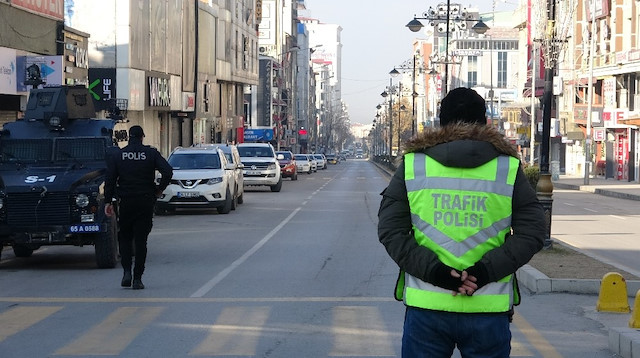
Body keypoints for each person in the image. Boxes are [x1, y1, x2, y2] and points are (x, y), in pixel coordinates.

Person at [378, 87, 545, 357]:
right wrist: (483, 273)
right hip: (488, 308)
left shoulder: (413, 165)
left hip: (427, 306)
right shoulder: (507, 168)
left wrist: (436, 274)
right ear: (485, 122)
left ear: (440, 123)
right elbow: (533, 231)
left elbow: (391, 231)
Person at [104, 125, 173, 290]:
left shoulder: (119, 155)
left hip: (126, 202)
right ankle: (137, 279)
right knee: (141, 240)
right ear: (142, 137)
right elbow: (168, 171)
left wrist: (108, 201)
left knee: (125, 238)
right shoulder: (150, 153)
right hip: (145, 201)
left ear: (129, 137)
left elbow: (110, 179)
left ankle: (126, 272)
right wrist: (159, 190)